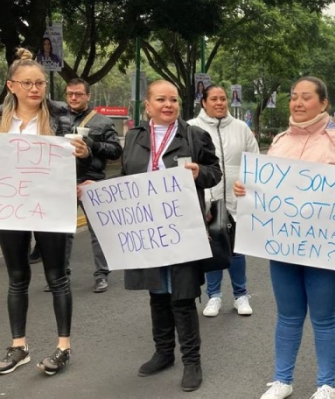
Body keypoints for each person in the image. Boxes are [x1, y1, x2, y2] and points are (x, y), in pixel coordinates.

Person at [233, 76, 335, 399]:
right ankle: (282, 380)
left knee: (324, 318)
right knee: (288, 316)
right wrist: (245, 189)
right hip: (283, 244)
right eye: (294, 96)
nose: (298, 103)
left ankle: (327, 384)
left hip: (325, 248)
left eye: (306, 97)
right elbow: (263, 189)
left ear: (323, 103)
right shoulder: (280, 141)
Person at [80, 80, 221, 391]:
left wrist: (201, 173)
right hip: (146, 231)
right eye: (161, 99)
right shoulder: (135, 136)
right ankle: (163, 353)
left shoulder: (194, 136)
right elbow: (126, 178)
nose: (168, 105)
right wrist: (98, 188)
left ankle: (192, 361)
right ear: (148, 105)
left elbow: (215, 172)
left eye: (173, 100)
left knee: (182, 296)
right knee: (156, 292)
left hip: (182, 230)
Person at [0, 48, 91, 376]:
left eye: (39, 82)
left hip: (50, 207)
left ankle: (63, 346)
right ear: (12, 86)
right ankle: (18, 346)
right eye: (27, 83)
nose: (35, 89)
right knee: (17, 278)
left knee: (57, 277)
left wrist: (83, 153)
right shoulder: (2, 121)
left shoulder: (61, 117)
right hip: (11, 208)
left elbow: (80, 160)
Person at [189, 84, 259, 318]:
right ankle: (214, 296)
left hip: (237, 201)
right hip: (207, 202)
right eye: (214, 99)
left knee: (238, 251)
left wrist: (249, 190)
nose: (219, 103)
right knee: (213, 249)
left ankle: (241, 295)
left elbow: (255, 162)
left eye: (223, 98)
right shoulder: (191, 128)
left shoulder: (241, 128)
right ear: (203, 102)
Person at [60, 78, 123, 294]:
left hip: (93, 181)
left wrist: (93, 145)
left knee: (98, 231)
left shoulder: (102, 122)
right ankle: (61, 274)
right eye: (70, 94)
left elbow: (116, 151)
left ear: (88, 96)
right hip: (63, 181)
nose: (73, 98)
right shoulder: (57, 119)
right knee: (63, 231)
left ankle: (102, 274)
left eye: (78, 94)